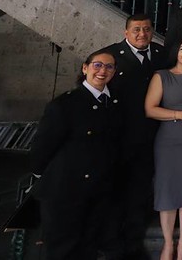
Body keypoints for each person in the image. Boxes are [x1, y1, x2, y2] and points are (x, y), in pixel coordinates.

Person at [30, 48, 121, 260]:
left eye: (109, 66)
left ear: (114, 72)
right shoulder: (65, 104)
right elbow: (42, 147)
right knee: (65, 251)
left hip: (98, 191)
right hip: (65, 191)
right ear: (85, 68)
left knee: (88, 249)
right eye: (97, 65)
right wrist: (44, 176)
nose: (102, 71)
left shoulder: (115, 103)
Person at [106, 14, 167, 259]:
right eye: (136, 30)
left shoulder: (162, 54)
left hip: (152, 135)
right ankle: (113, 246)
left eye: (147, 30)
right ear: (126, 32)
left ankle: (133, 244)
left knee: (141, 190)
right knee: (116, 192)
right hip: (121, 137)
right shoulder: (110, 57)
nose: (142, 34)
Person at [144, 38, 182, 260]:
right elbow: (150, 109)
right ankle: (168, 242)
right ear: (176, 51)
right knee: (166, 189)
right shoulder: (162, 75)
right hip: (168, 140)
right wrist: (180, 115)